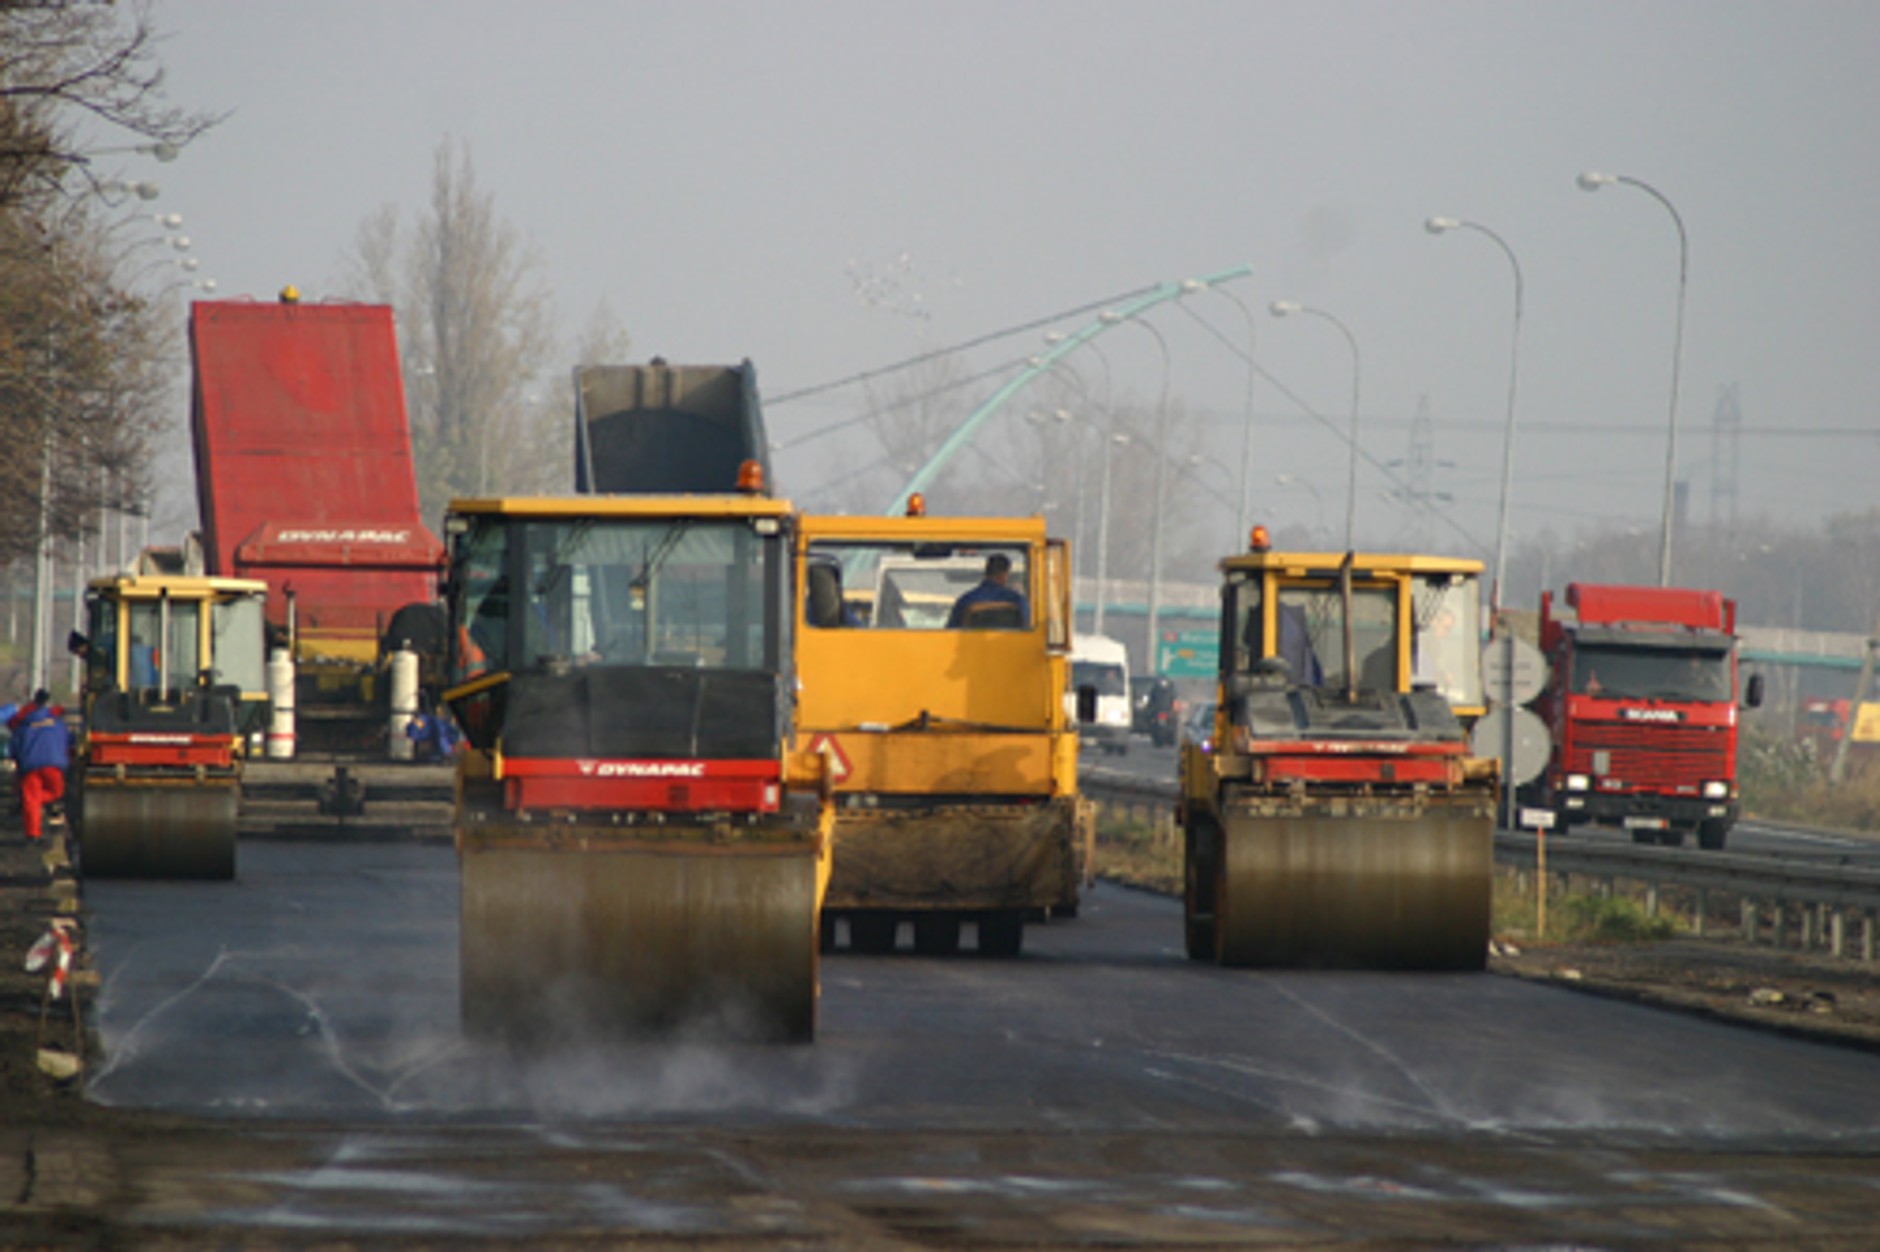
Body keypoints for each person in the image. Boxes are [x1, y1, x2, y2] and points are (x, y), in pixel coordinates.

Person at [14, 691, 70, 842]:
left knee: (31, 799)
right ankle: (46, 807)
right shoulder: (58, 723)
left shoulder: (24, 724)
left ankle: (33, 834)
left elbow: (15, 747)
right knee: (56, 792)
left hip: (30, 767)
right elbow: (68, 741)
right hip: (53, 765)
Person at [946, 553, 1029, 629]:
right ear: (1004, 574)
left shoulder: (965, 600)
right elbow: (1027, 626)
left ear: (986, 572)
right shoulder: (1017, 600)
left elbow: (951, 631)